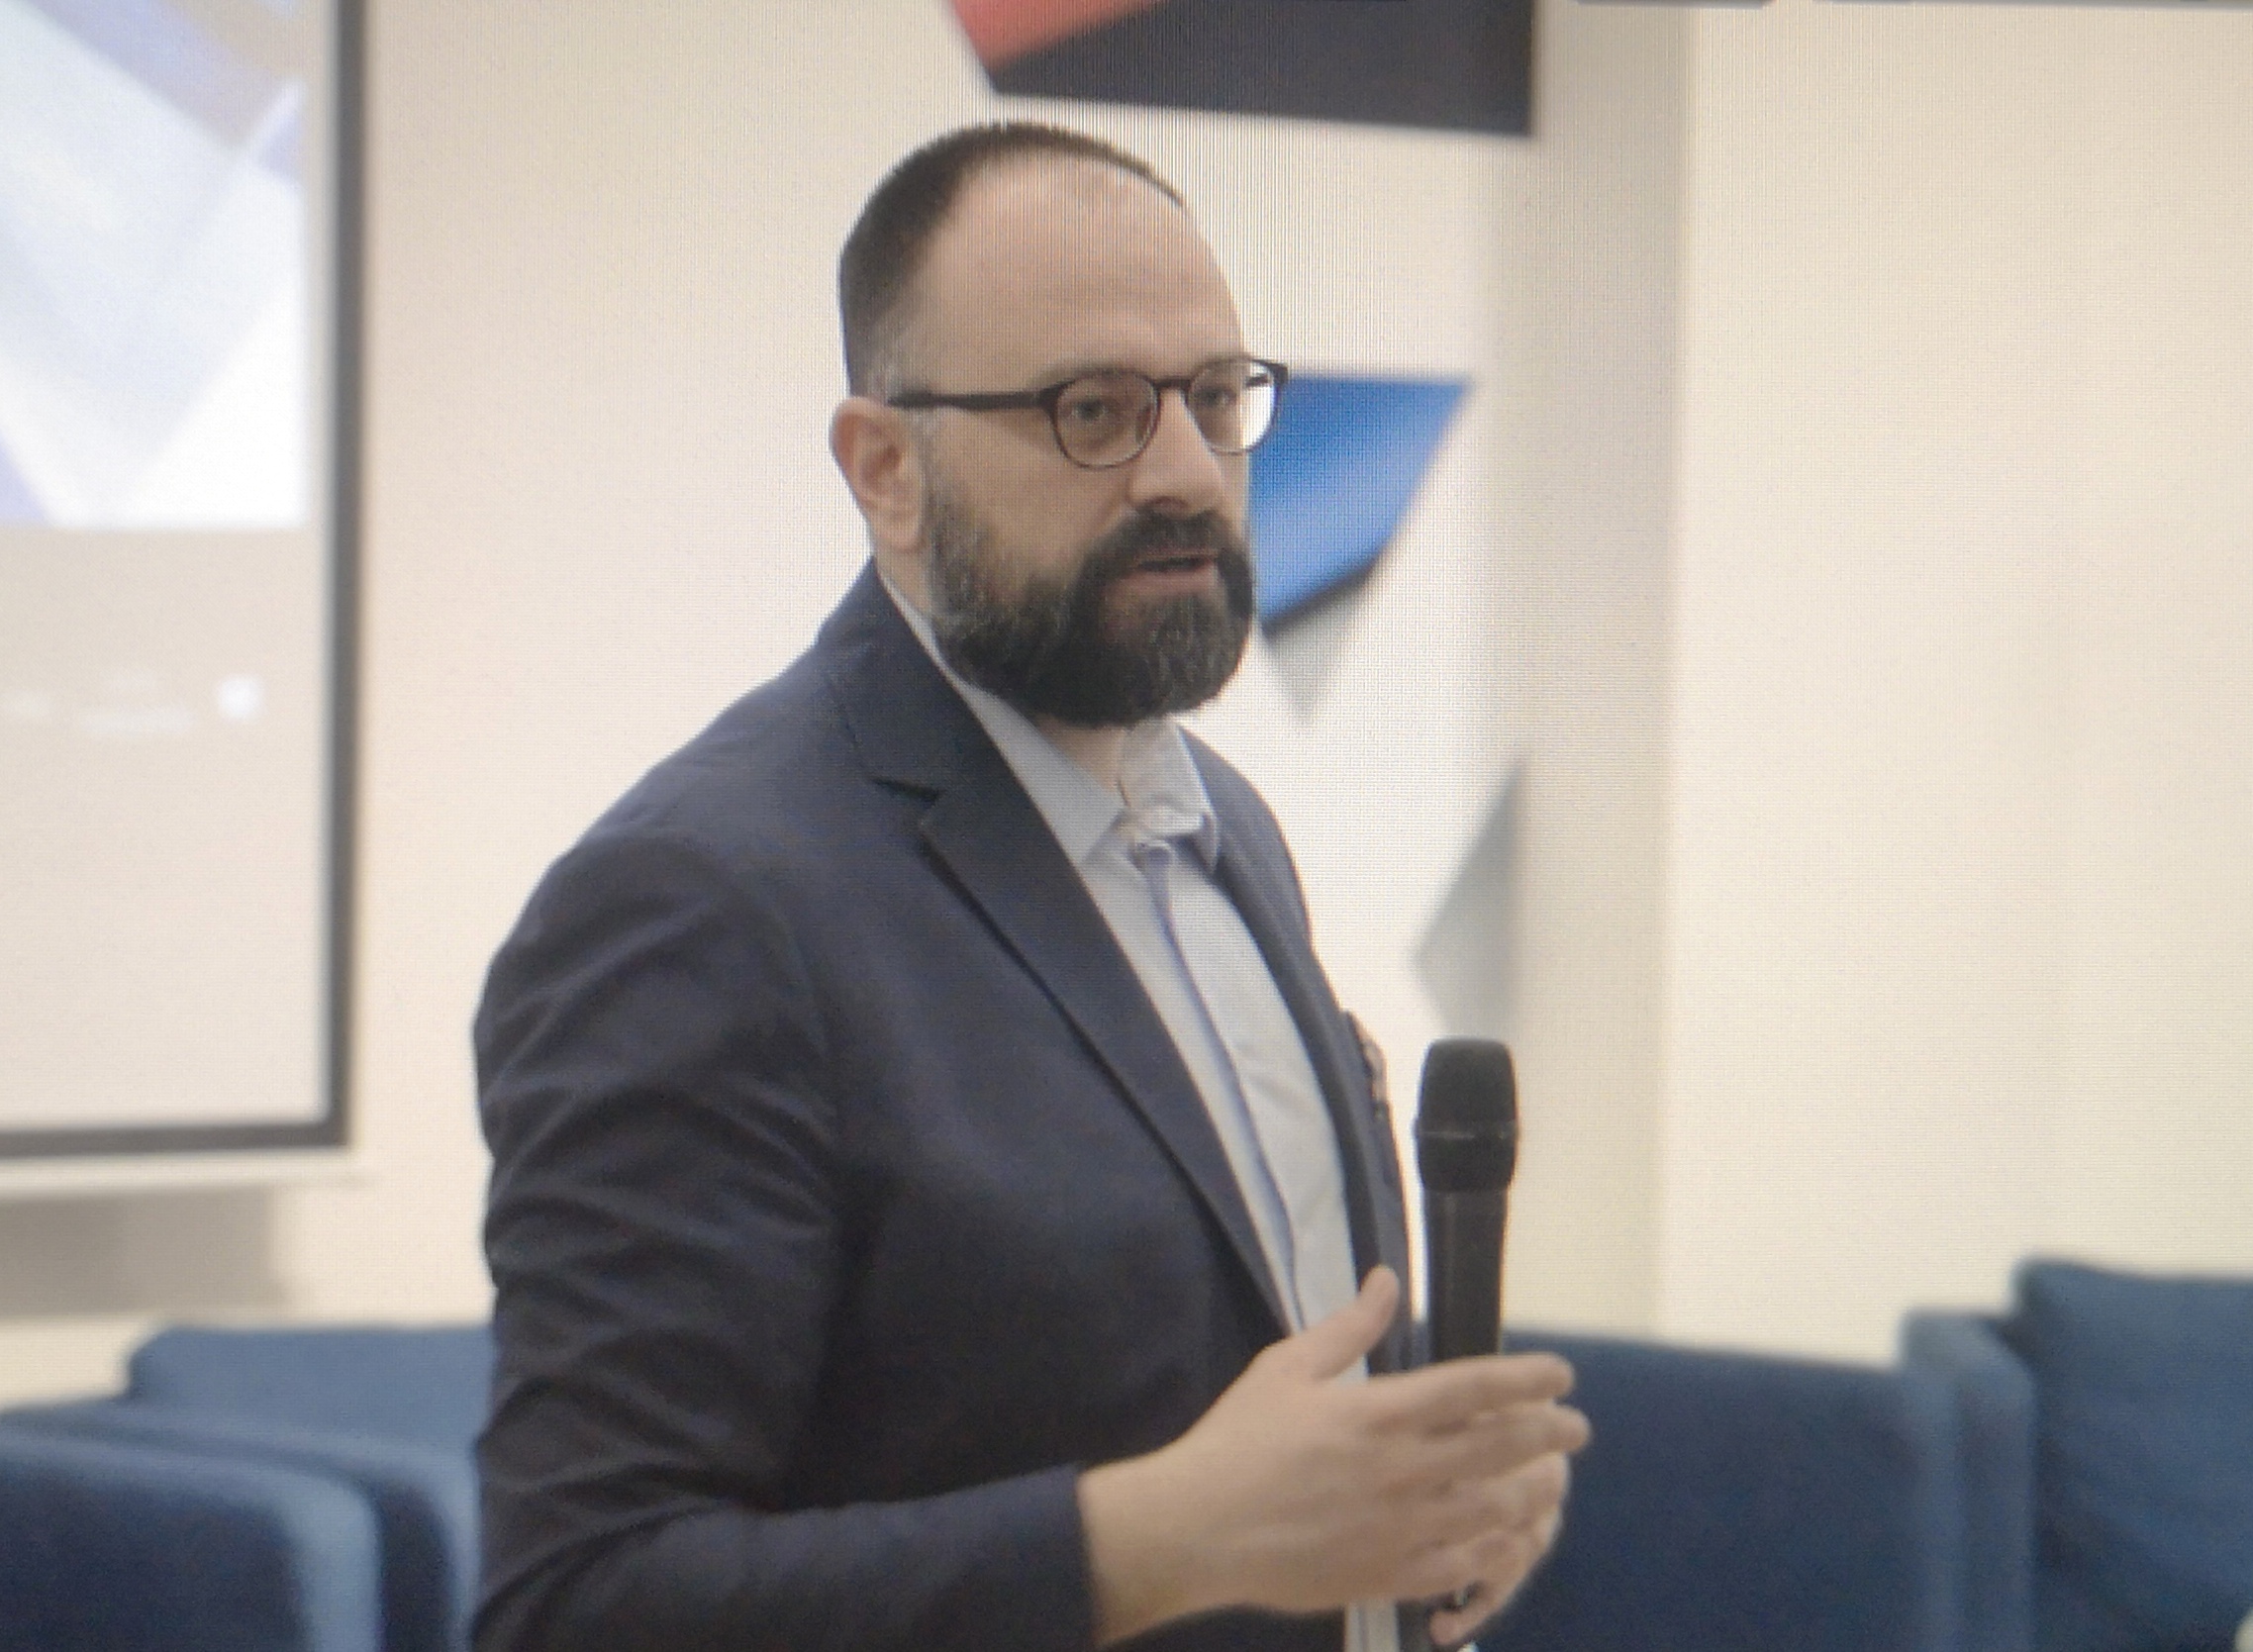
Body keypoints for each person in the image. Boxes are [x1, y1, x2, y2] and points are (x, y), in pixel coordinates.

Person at [472, 122, 1589, 1652]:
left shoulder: (1223, 827)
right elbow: (581, 1602)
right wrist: (1160, 1541)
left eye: (1214, 397)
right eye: (1094, 412)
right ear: (887, 470)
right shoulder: (700, 904)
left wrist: (1411, 1539)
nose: (1186, 473)